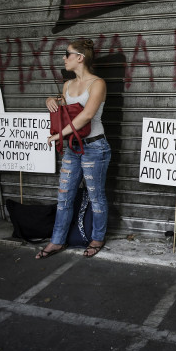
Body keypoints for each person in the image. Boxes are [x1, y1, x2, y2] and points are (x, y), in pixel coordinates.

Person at [35, 39, 111, 259]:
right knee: (64, 196)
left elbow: (86, 115)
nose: (63, 58)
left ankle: (98, 238)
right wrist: (51, 100)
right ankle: (57, 241)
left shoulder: (97, 83)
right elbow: (65, 107)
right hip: (73, 147)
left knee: (96, 196)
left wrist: (59, 135)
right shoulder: (68, 85)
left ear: (80, 57)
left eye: (67, 54)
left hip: (95, 147)